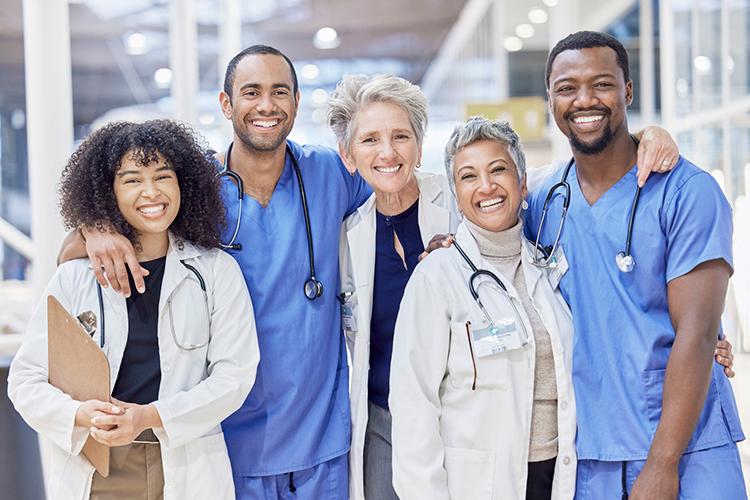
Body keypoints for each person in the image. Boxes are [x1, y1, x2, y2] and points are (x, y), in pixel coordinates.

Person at [58, 46, 372, 499]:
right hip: (226, 442)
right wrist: (95, 229)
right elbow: (70, 252)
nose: (266, 105)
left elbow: (396, 192)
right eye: (251, 92)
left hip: (319, 441)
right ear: (226, 105)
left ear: (297, 103)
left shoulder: (327, 172)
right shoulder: (194, 186)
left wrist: (443, 238)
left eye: (279, 91)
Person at [526, 31, 746, 498]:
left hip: (687, 449)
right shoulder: (544, 203)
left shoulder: (687, 193)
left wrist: (663, 463)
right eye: (566, 88)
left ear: (627, 90)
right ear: (550, 99)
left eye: (601, 84)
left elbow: (700, 333)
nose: (584, 99)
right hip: (589, 453)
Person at [9, 120, 260, 500]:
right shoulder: (74, 278)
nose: (150, 192)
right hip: (98, 468)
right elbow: (25, 381)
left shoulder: (215, 271)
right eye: (131, 180)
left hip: (185, 462)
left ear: (184, 184)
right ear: (106, 192)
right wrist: (81, 414)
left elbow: (235, 376)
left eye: (163, 176)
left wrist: (150, 417)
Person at [390, 117, 578, 499]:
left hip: (556, 474)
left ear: (522, 182)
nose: (487, 186)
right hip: (476, 484)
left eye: (498, 169)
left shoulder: (549, 264)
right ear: (456, 195)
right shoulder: (436, 277)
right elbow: (414, 406)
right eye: (468, 176)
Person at [328, 73, 460, 500]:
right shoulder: (349, 234)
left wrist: (645, 138)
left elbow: (531, 182)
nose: (387, 152)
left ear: (420, 147)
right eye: (369, 140)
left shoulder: (461, 202)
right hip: (383, 419)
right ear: (349, 155)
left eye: (400, 136)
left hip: (463, 413)